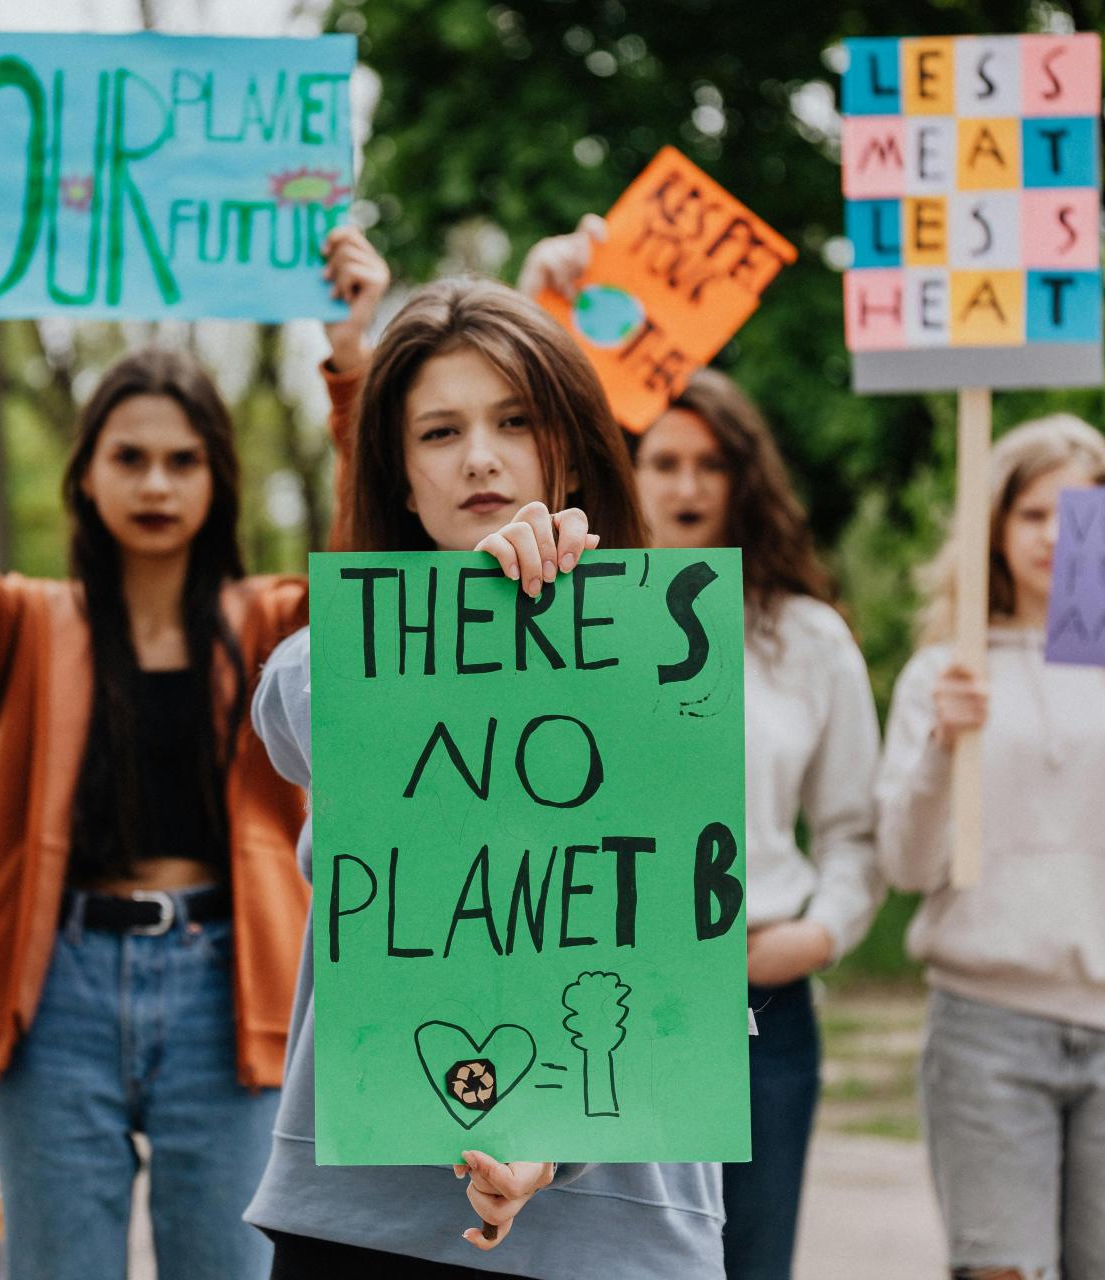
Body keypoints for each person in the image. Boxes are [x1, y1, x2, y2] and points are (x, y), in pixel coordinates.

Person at [0, 171, 386, 1280]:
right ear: (87, 475)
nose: (155, 483)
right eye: (129, 458)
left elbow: (376, 572)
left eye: (182, 460)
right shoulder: (27, 626)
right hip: (60, 995)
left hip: (230, 990)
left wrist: (351, 358)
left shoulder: (276, 622)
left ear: (217, 480)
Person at [245, 275, 730, 1278]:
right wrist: (466, 611)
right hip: (363, 1220)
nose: (479, 456)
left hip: (617, 1229)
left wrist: (559, 1142)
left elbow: (668, 951)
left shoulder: (668, 650)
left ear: (572, 448)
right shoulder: (349, 657)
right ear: (400, 478)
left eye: (514, 420)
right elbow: (285, 712)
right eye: (438, 432)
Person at [520, 219, 885, 1280]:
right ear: (623, 468)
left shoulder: (806, 638)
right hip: (594, 994)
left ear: (741, 479)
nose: (683, 485)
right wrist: (540, 306)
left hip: (758, 1005)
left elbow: (855, 830)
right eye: (662, 460)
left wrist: (817, 934)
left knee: (749, 1264)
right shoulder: (560, 622)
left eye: (707, 464)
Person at [874, 415, 1105, 1279]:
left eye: (1078, 515)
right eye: (1032, 514)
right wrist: (941, 748)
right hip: (984, 1026)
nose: (1053, 536)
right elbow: (903, 864)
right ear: (994, 529)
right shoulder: (943, 674)